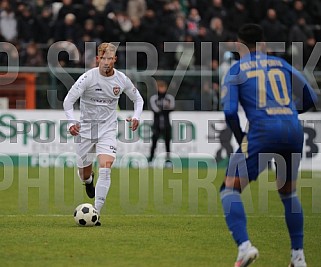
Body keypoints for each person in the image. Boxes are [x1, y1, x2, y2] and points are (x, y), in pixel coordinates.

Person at [220, 24, 318, 267]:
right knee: (288, 192)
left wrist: (241, 134)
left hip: (262, 130)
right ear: (263, 44)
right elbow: (312, 97)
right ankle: (298, 257)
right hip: (293, 129)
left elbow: (230, 110)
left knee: (229, 188)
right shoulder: (281, 64)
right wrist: (286, 112)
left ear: (238, 44)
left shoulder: (236, 69)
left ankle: (244, 247)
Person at [63, 42, 144, 225]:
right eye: (103, 58)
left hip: (107, 130)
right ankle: (88, 180)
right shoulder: (87, 78)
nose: (106, 62)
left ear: (114, 59)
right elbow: (68, 102)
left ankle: (96, 213)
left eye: (110, 58)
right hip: (86, 130)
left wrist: (137, 116)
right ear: (98, 59)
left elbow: (138, 99)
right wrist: (71, 122)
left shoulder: (121, 79)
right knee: (84, 173)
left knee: (106, 167)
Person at [148, 80, 175, 167]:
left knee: (167, 144)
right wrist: (164, 108)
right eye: (160, 87)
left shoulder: (169, 98)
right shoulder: (154, 98)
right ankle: (151, 160)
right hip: (157, 125)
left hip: (167, 124)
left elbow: (171, 108)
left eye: (163, 87)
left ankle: (168, 161)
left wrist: (163, 109)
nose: (162, 89)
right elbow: (155, 109)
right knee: (154, 143)